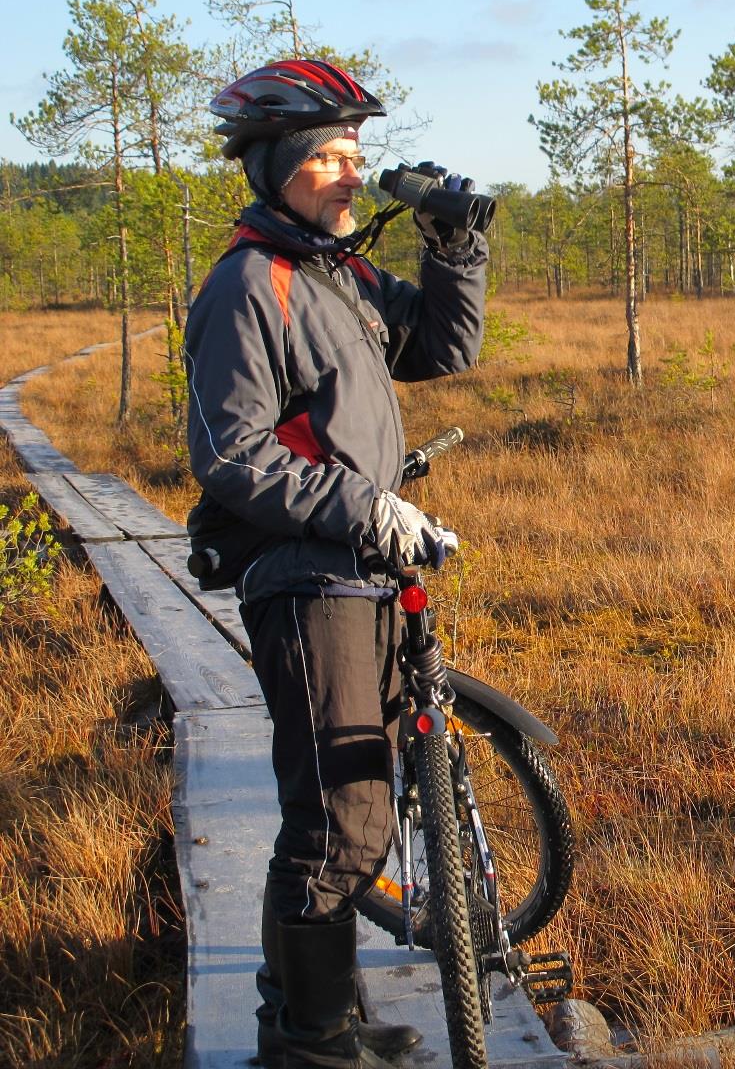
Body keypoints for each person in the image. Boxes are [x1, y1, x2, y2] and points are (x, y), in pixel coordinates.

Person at [184, 59, 488, 1068]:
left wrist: (457, 246)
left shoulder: (339, 273)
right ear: (272, 168)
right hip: (305, 579)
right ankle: (309, 1046)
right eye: (326, 155)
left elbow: (440, 348)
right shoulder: (248, 284)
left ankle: (323, 1012)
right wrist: (368, 504)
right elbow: (231, 455)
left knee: (358, 797)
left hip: (360, 572)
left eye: (355, 154)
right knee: (339, 823)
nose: (349, 172)